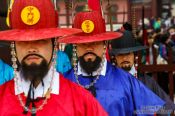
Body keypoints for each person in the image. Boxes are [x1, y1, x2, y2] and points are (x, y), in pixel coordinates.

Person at [0, 0, 107, 115]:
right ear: (13, 45)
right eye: (23, 41)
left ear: (54, 44)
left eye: (41, 40)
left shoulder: (81, 101)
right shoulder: (2, 98)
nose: (31, 48)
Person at [58, 10, 165, 115]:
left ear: (104, 44)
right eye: (83, 43)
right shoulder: (63, 83)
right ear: (75, 46)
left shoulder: (127, 81)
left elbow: (158, 110)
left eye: (95, 43)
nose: (89, 48)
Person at [109, 30, 175, 113]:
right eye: (120, 54)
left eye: (128, 53)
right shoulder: (109, 82)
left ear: (134, 55)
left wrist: (144, 110)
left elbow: (168, 108)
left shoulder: (147, 81)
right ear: (114, 57)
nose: (125, 58)